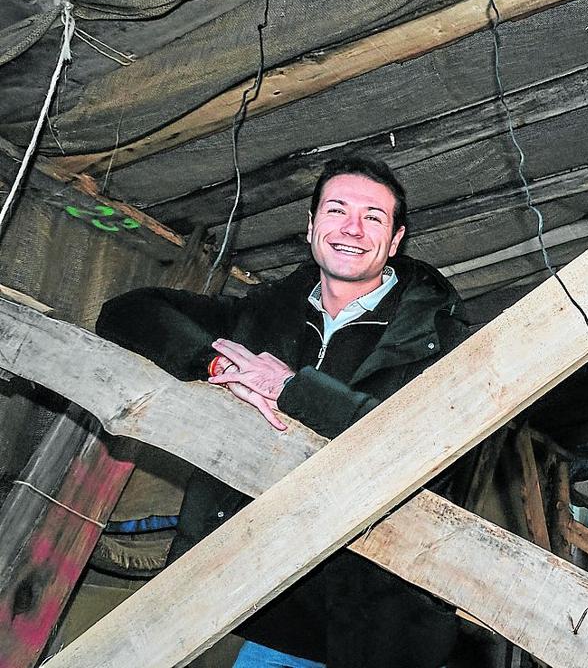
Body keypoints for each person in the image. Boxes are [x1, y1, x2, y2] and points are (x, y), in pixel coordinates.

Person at [97, 156, 468, 668]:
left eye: (373, 217)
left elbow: (428, 454)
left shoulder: (440, 340)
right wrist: (214, 360)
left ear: (396, 239)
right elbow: (126, 312)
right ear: (311, 227)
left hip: (367, 628)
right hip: (262, 612)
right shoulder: (259, 313)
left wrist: (292, 390)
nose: (352, 229)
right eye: (336, 210)